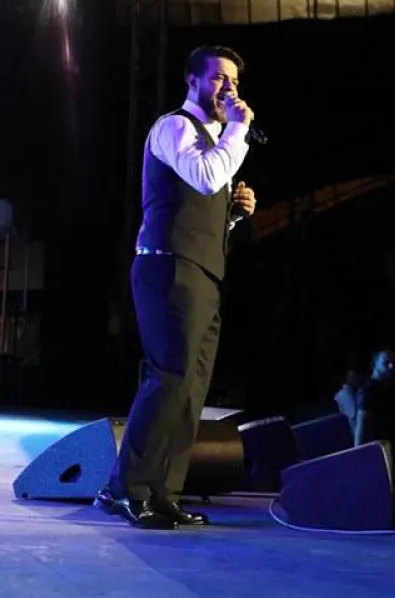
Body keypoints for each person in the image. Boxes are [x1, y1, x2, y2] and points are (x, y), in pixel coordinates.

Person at [97, 45, 256, 529]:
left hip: (202, 270)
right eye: (219, 78)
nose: (228, 89)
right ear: (192, 81)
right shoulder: (175, 127)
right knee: (169, 377)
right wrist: (238, 130)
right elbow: (204, 178)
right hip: (167, 266)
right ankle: (125, 489)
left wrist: (231, 216)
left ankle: (163, 492)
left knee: (191, 388)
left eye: (234, 81)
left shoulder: (215, 142)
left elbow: (199, 206)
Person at [355, 348, 395, 446]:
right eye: (386, 363)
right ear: (374, 365)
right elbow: (361, 434)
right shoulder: (368, 393)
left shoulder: (387, 389)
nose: (391, 366)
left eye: (394, 363)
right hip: (377, 450)